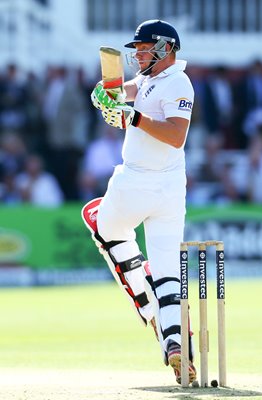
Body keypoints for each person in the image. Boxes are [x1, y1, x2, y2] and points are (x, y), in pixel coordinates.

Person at [82, 19, 196, 384]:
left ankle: (147, 305)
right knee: (167, 273)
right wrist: (110, 91)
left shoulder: (179, 82)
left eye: (145, 48)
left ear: (166, 48)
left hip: (138, 182)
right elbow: (131, 88)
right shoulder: (152, 78)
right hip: (170, 190)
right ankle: (175, 343)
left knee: (100, 221)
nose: (138, 54)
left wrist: (133, 116)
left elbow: (177, 135)